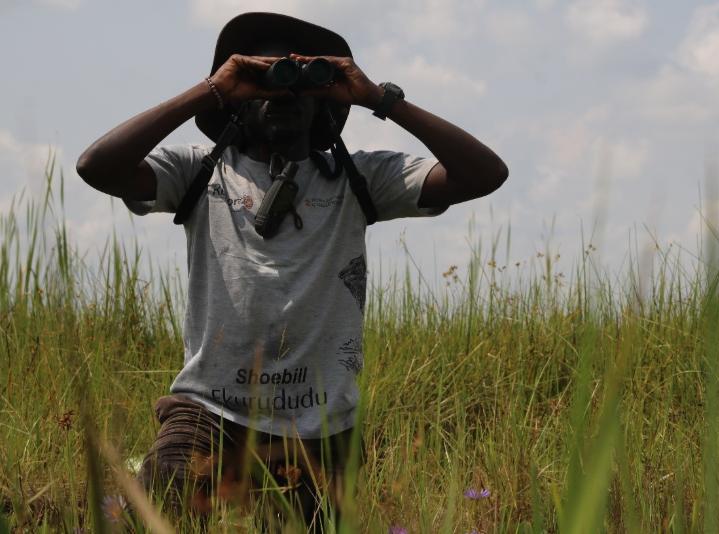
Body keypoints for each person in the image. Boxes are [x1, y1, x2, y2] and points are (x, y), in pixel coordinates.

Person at [76, 11, 507, 531]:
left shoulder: (358, 176)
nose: (284, 92)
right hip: (211, 411)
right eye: (266, 78)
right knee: (162, 499)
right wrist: (211, 90)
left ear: (323, 101)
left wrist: (380, 98)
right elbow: (97, 166)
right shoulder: (200, 169)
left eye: (302, 82)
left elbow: (484, 174)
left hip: (323, 425)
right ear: (237, 99)